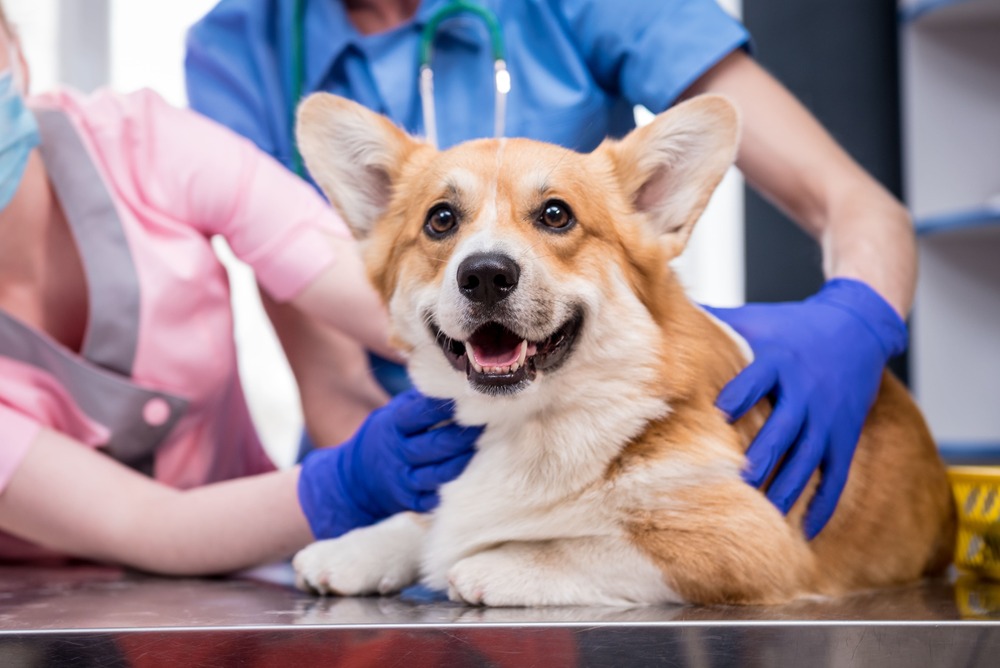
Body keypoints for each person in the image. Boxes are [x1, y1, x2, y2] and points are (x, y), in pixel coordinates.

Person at [186, 0, 913, 540]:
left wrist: (856, 316)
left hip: (601, 436)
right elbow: (330, 383)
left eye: (554, 216)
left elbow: (855, 203)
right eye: (443, 222)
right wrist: (422, 500)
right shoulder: (241, 46)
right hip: (398, 466)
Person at [0, 4, 480, 573]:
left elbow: (377, 296)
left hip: (255, 572)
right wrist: (347, 481)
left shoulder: (140, 143)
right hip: (47, 624)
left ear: (18, 57)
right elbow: (146, 524)